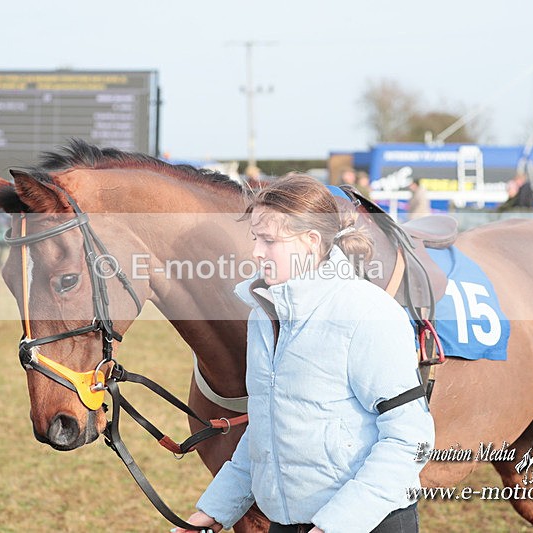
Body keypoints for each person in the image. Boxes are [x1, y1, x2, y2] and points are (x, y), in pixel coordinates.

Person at [178, 174, 435, 533]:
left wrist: (335, 525)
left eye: (269, 241)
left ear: (311, 242)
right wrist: (212, 513)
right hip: (286, 524)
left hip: (369, 524)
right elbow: (266, 432)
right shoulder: (261, 317)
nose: (255, 252)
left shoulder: (366, 312)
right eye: (255, 238)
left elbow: (410, 438)